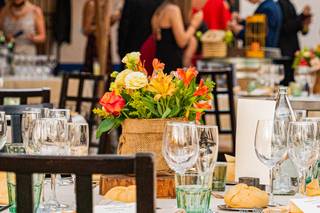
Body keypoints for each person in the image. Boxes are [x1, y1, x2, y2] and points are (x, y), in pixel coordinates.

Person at [151, 0, 203, 73]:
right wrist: (194, 24)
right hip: (170, 65)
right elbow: (182, 42)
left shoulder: (163, 7)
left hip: (162, 63)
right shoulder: (173, 10)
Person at [82, 0, 122, 73]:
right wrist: (103, 26)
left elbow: (105, 24)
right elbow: (86, 29)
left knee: (107, 74)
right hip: (95, 44)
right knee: (94, 74)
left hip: (105, 44)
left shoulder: (105, 5)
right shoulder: (92, 4)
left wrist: (113, 19)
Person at [278, 0, 311, 85]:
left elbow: (297, 28)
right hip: (286, 51)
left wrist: (304, 22)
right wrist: (302, 16)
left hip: (291, 50)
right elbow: (287, 27)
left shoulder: (289, 4)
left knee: (291, 82)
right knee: (286, 82)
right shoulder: (281, 4)